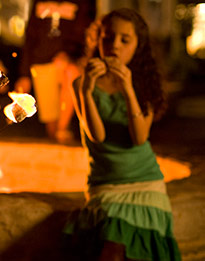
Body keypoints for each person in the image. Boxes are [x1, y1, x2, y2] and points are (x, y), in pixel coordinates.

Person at [64, 8, 181, 260]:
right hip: (106, 184)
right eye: (107, 37)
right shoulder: (81, 83)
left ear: (137, 46)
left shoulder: (146, 83)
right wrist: (86, 92)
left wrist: (128, 88)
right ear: (98, 40)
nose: (114, 45)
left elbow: (139, 137)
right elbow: (97, 136)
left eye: (124, 40)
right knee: (111, 251)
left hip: (145, 181)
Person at [15, 0, 95, 143]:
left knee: (70, 75)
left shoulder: (83, 3)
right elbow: (31, 35)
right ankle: (57, 139)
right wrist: (24, 74)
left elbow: (84, 31)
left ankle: (63, 129)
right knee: (51, 121)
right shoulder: (39, 2)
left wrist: (69, 53)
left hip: (67, 61)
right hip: (40, 62)